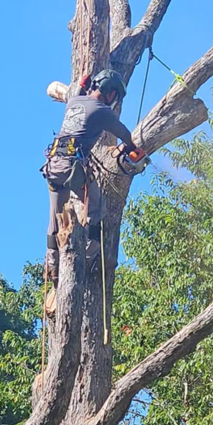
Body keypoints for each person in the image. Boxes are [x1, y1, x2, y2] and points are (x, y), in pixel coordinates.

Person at [43, 68, 138, 291]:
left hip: (54, 165)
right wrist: (132, 149)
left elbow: (79, 90)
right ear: (110, 92)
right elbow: (126, 135)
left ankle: (52, 264)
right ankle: (88, 255)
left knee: (55, 218)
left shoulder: (74, 101)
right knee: (96, 208)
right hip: (73, 168)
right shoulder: (102, 111)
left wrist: (85, 83)